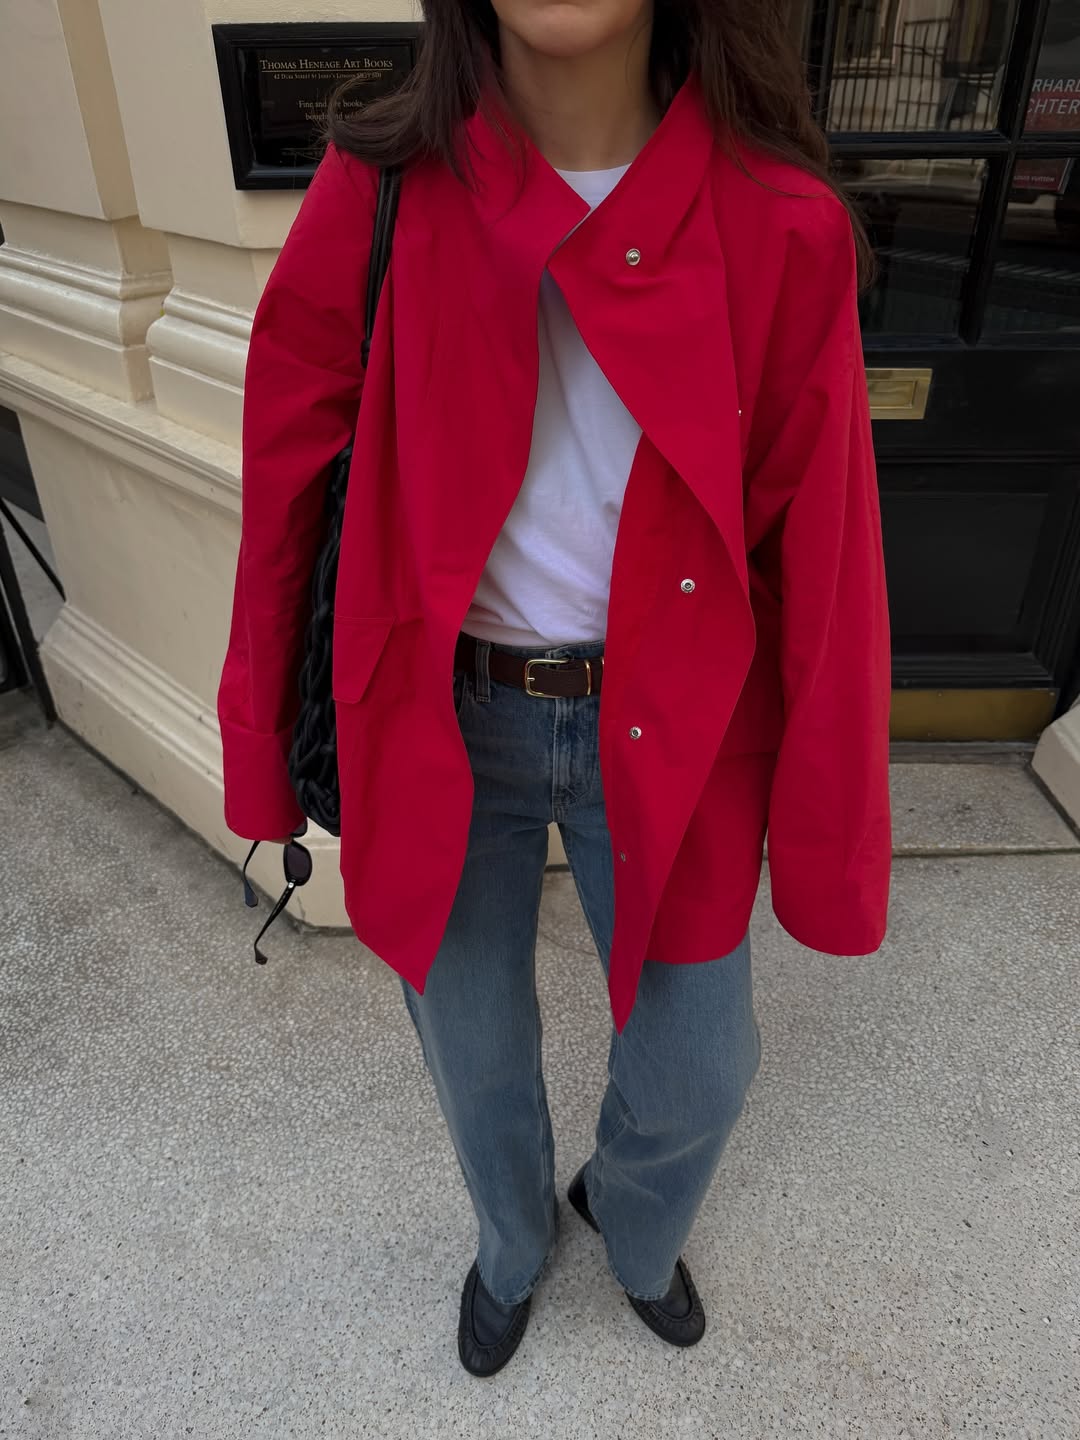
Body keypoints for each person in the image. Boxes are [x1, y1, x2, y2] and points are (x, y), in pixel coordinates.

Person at [218, 0, 892, 1379]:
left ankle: (634, 1227)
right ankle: (512, 1245)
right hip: (441, 707)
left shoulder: (782, 219)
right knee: (470, 1045)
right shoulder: (384, 187)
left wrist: (830, 839)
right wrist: (260, 750)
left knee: (705, 1063)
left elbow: (825, 554)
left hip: (680, 723)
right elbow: (289, 470)